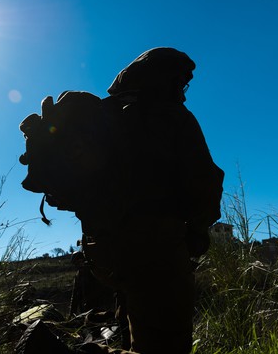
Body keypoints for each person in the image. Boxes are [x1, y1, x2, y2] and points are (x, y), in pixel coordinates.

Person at [74, 47, 224, 354]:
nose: (183, 90)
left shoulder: (108, 118)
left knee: (132, 328)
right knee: (166, 341)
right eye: (180, 82)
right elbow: (204, 181)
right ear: (165, 79)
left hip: (103, 249)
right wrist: (197, 232)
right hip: (156, 245)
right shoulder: (172, 117)